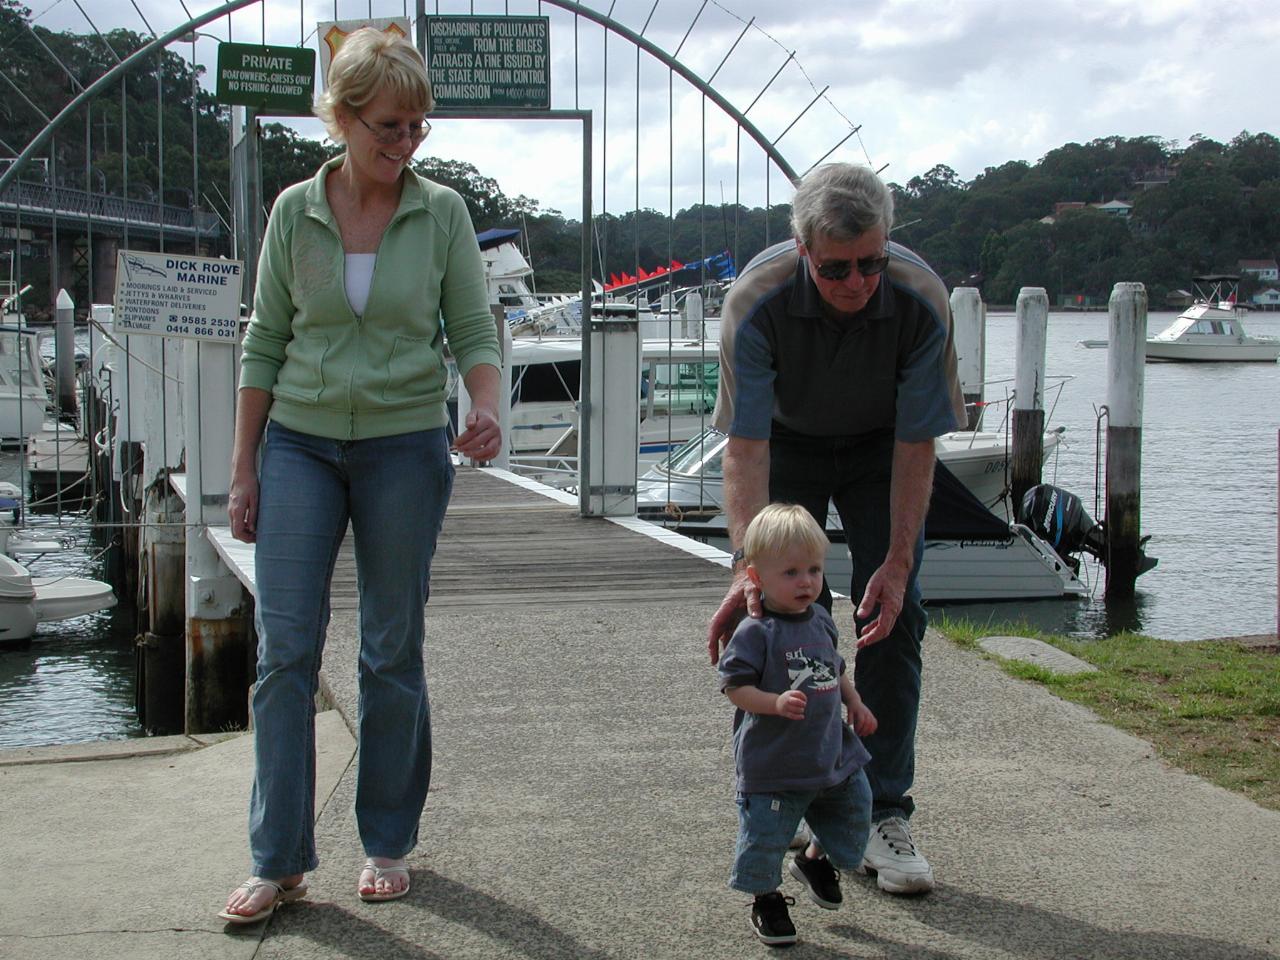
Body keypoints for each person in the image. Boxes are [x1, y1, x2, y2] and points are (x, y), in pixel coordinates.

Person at [219, 28, 502, 924]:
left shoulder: (442, 213)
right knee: (284, 653)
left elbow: (474, 330)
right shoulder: (293, 211)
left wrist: (486, 404)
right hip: (298, 443)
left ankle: (386, 841)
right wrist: (243, 470)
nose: (406, 142)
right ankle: (277, 860)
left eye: (418, 126)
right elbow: (265, 340)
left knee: (390, 650)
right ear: (340, 118)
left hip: (404, 445)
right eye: (389, 126)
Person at [707, 163, 966, 896]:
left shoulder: (920, 298)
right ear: (802, 252)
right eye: (836, 269)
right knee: (778, 615)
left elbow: (917, 444)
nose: (858, 283)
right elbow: (746, 448)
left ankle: (882, 810)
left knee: (895, 614)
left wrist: (898, 563)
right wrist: (747, 568)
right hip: (786, 442)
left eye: (871, 263)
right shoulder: (756, 300)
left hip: (883, 447)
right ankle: (781, 792)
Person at [718, 503, 877, 947]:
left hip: (830, 751)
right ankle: (766, 900)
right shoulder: (756, 632)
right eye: (790, 572)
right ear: (756, 578)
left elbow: (834, 668)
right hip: (775, 763)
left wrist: (854, 701)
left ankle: (813, 858)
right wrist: (773, 702)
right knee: (765, 840)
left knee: (854, 812)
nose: (806, 581)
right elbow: (734, 687)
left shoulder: (821, 619)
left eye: (814, 570)